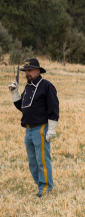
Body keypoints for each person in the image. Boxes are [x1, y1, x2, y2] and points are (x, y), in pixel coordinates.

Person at [8, 58, 60, 197]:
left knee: (42, 159)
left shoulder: (47, 86)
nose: (26, 74)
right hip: (28, 130)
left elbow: (53, 107)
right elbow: (23, 108)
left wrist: (52, 128)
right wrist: (14, 93)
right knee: (32, 161)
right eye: (25, 71)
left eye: (29, 70)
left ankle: (46, 189)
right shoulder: (28, 87)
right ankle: (40, 186)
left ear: (38, 71)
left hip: (41, 128)